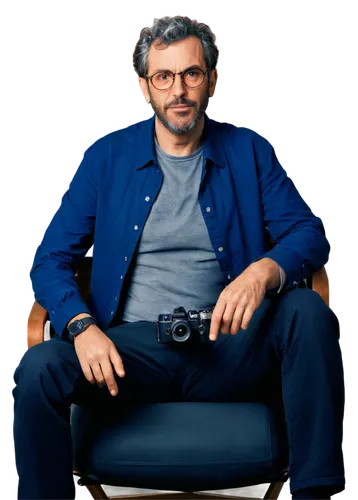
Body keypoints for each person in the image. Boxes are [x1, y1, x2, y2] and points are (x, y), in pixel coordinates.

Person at [11, 13, 346, 500]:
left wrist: (263, 272)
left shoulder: (249, 149)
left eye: (191, 74)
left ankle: (318, 493)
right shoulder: (105, 158)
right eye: (164, 77)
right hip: (129, 355)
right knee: (38, 368)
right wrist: (81, 327)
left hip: (229, 347)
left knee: (306, 310)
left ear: (212, 79)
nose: (179, 90)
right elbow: (47, 261)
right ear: (146, 87)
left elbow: (309, 234)